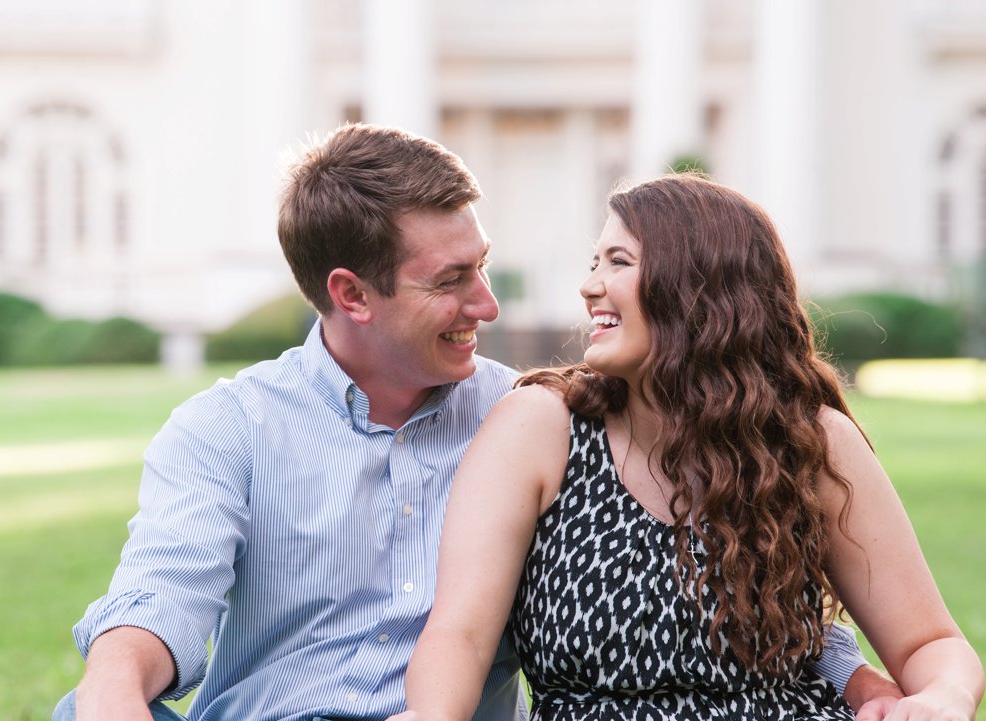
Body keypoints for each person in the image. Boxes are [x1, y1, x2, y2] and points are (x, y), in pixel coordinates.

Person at [54, 126, 900, 721]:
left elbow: (699, 556)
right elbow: (161, 593)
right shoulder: (227, 428)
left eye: (483, 267)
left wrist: (849, 671)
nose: (487, 305)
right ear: (352, 294)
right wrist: (113, 684)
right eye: (451, 280)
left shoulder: (533, 419)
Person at [393, 174, 984, 721]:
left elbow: (929, 643)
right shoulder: (542, 427)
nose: (589, 285)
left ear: (698, 286)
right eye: (595, 262)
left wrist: (942, 697)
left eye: (618, 261)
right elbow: (460, 635)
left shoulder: (810, 440)